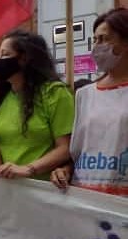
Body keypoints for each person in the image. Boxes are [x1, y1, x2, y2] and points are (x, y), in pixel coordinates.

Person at [52, 7, 128, 196]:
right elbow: (77, 152)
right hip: (87, 199)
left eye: (104, 39)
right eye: (95, 40)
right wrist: (65, 170)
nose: (96, 46)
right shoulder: (84, 94)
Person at [0, 30, 74, 181]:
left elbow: (66, 148)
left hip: (41, 191)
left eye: (5, 55)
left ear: (24, 58)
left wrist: (28, 169)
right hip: (4, 191)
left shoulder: (54, 93)